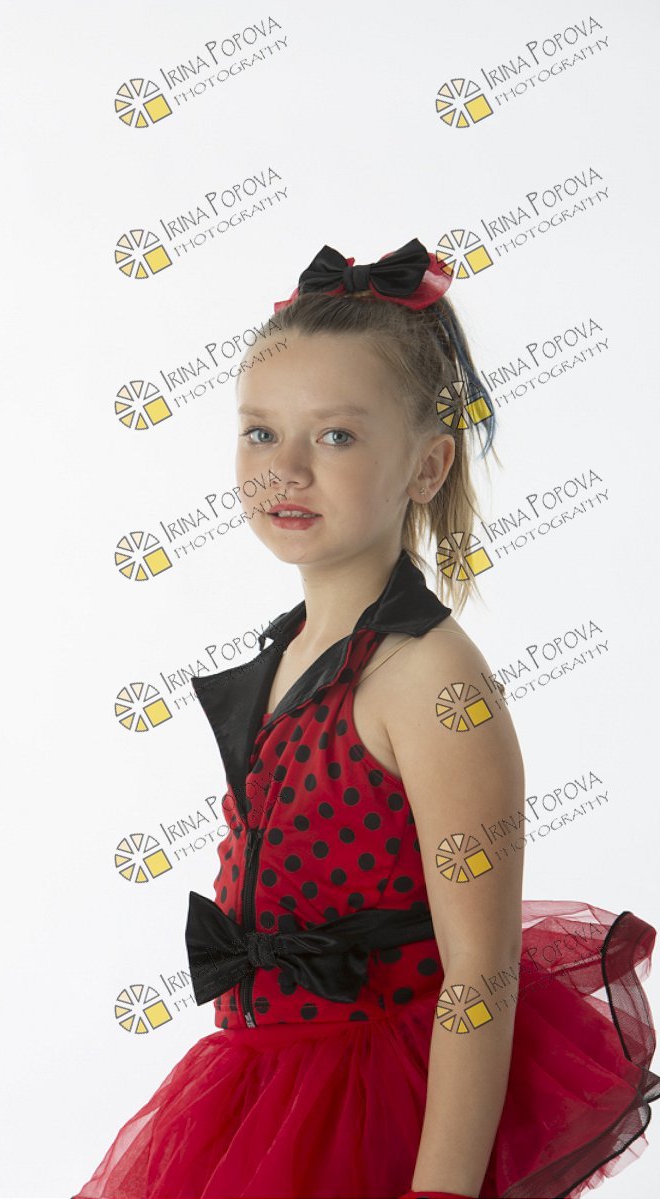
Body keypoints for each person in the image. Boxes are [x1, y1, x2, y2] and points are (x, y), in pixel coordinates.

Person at [69, 239, 659, 1199]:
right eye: (261, 433)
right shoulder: (291, 650)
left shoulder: (430, 680)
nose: (286, 469)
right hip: (261, 1090)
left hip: (374, 1106)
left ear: (427, 465)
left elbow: (480, 973)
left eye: (336, 436)